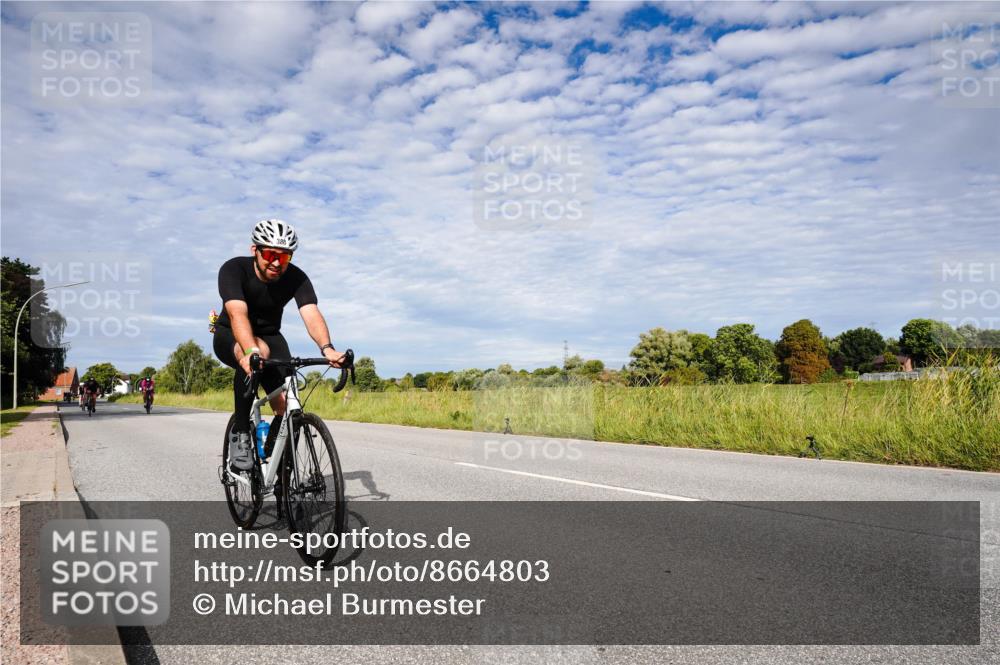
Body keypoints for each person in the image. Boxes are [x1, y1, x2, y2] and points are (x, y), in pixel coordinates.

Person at [212, 219, 346, 472]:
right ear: (255, 250)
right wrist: (251, 351)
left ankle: (277, 467)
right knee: (256, 351)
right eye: (271, 254)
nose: (276, 262)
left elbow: (311, 312)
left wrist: (327, 348)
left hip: (272, 336)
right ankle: (240, 433)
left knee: (287, 404)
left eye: (284, 258)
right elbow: (237, 314)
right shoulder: (234, 269)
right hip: (231, 333)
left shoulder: (296, 277)